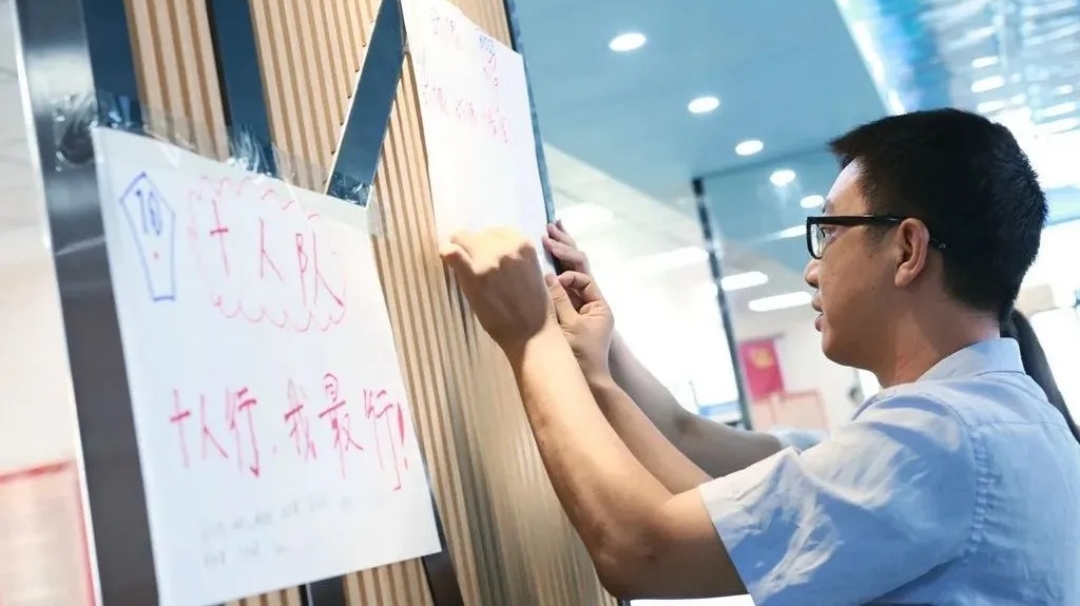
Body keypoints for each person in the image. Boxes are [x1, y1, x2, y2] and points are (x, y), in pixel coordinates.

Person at [441, 109, 1080, 603]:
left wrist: (531, 337)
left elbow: (644, 550)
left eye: (829, 231)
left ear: (907, 250)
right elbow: (727, 512)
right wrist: (598, 374)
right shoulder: (1012, 424)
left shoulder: (939, 436)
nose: (812, 269)